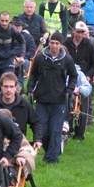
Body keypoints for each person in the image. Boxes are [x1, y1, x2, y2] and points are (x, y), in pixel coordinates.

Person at [27, 31, 77, 164]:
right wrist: (30, 89)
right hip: (42, 100)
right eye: (52, 43)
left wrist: (69, 90)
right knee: (43, 131)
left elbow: (74, 76)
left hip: (59, 101)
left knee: (55, 130)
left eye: (57, 43)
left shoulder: (67, 60)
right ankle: (50, 151)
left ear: (61, 45)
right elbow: (33, 75)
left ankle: (52, 159)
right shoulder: (40, 58)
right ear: (48, 43)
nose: (54, 46)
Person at [63, 21, 94, 139]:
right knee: (67, 103)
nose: (80, 35)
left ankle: (80, 134)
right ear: (73, 31)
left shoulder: (89, 46)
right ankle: (67, 130)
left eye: (82, 32)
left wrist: (89, 75)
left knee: (84, 105)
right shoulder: (66, 44)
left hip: (83, 78)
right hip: (68, 77)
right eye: (78, 32)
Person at [0, 72, 42, 150]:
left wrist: (37, 139)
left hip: (18, 143)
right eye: (5, 86)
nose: (8, 90)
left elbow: (36, 122)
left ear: (16, 87)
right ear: (1, 87)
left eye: (11, 86)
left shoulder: (24, 104)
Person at [10, 16, 36, 90]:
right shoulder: (6, 36)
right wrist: (13, 58)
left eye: (19, 26)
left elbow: (32, 51)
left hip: (23, 59)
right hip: (9, 58)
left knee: (26, 63)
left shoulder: (28, 37)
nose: (18, 27)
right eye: (16, 25)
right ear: (12, 26)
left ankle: (19, 85)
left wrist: (22, 58)